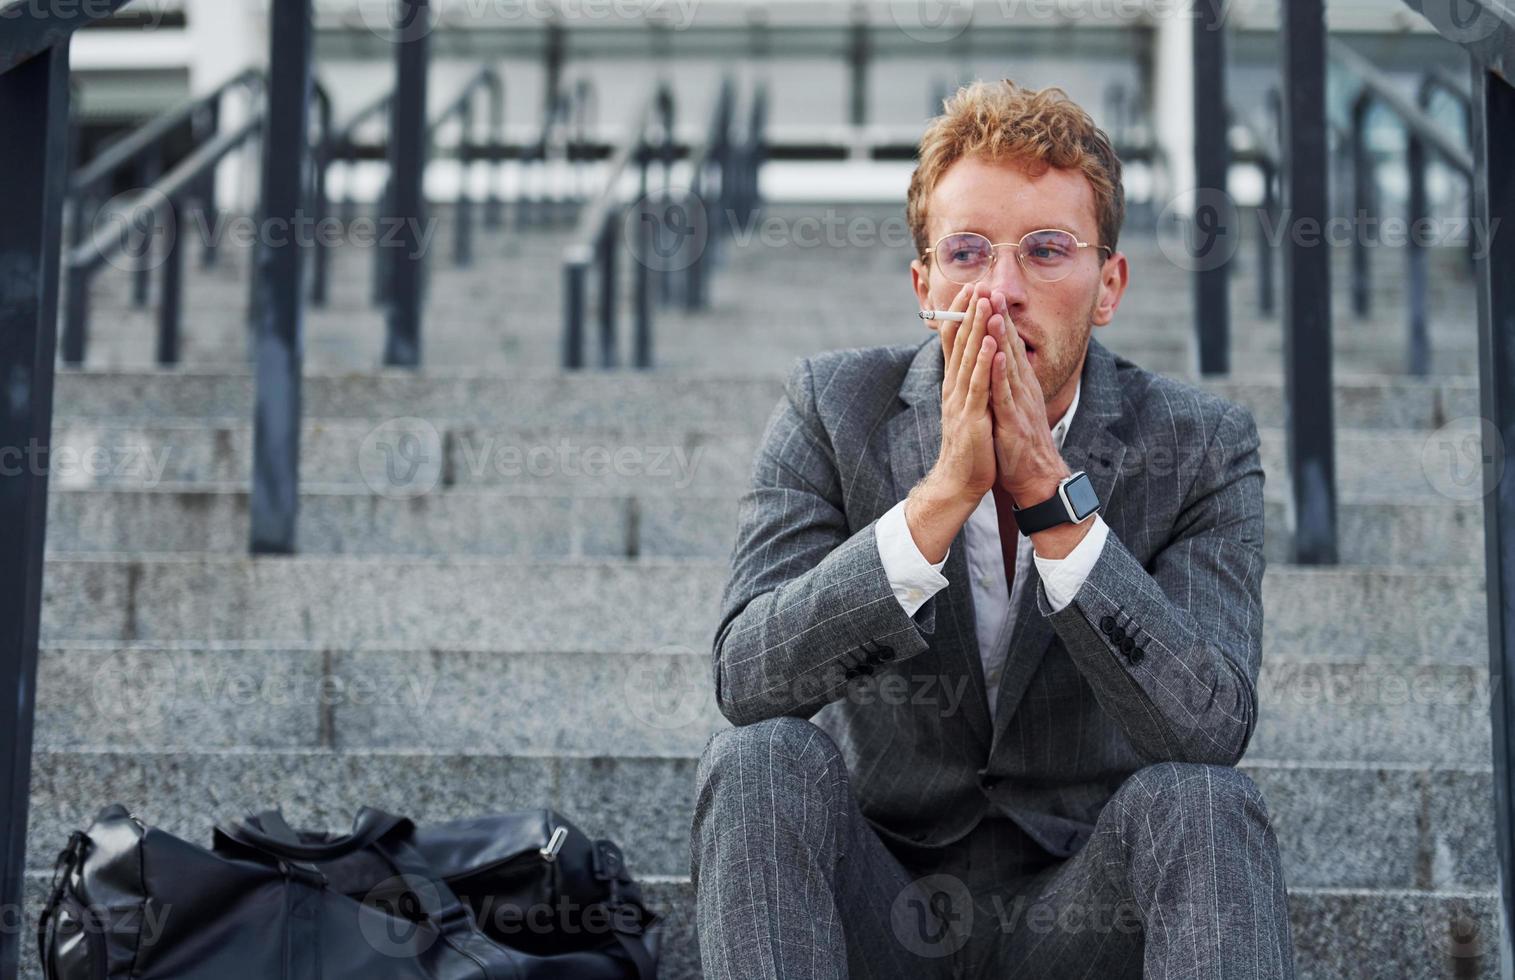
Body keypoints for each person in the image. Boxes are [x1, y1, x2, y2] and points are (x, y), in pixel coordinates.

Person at [689, 78, 1295, 979]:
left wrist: (1052, 502)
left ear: (1108, 286)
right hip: (879, 903)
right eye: (967, 253)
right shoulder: (831, 407)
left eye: (1046, 250)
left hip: (1085, 916)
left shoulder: (1200, 447)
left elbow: (1207, 728)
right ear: (923, 284)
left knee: (1203, 802)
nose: (1000, 291)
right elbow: (746, 676)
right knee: (756, 761)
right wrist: (937, 502)